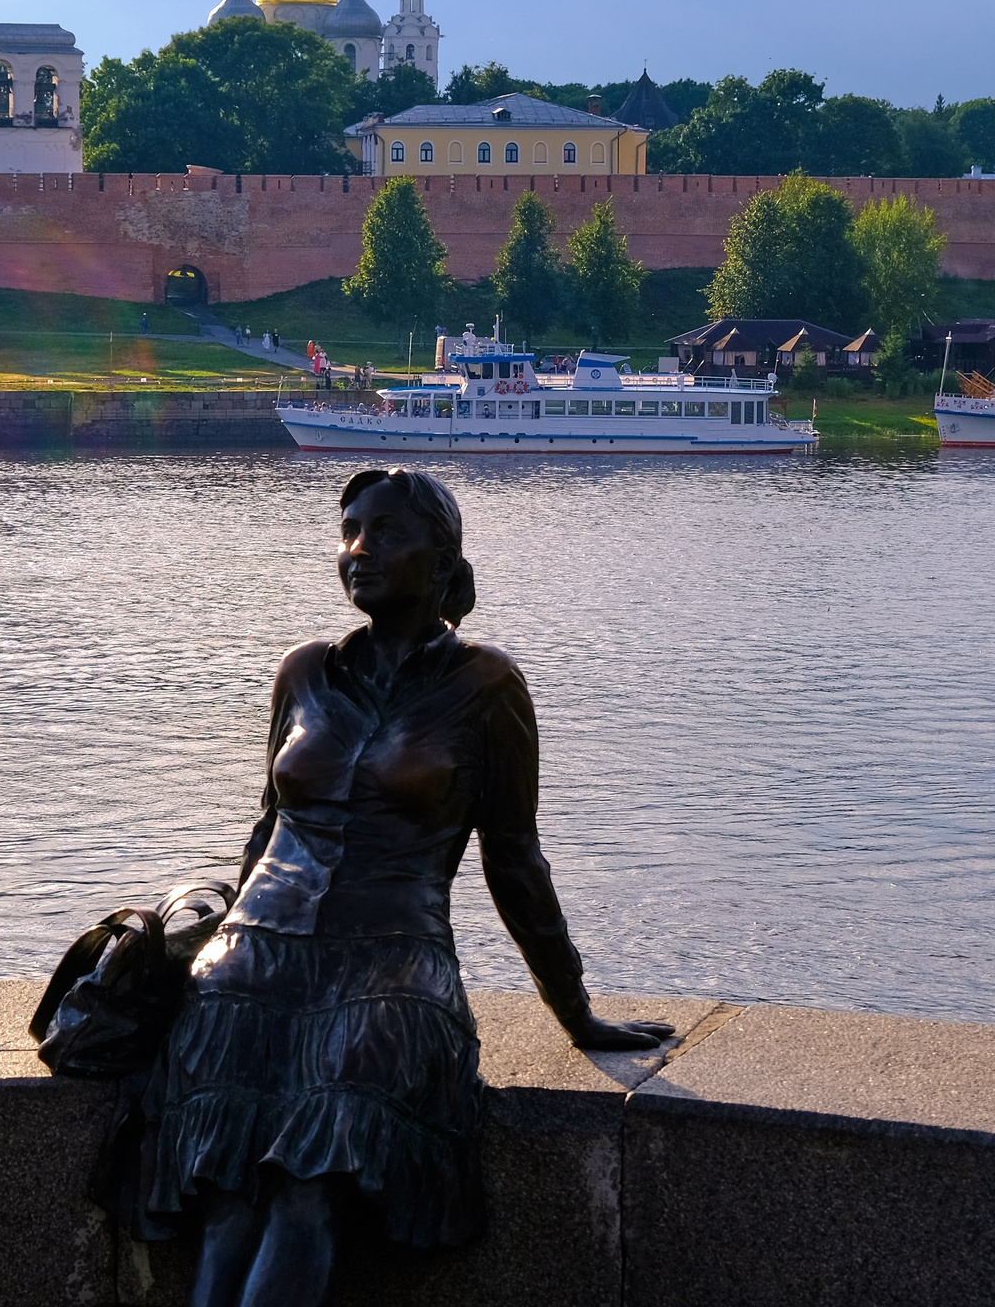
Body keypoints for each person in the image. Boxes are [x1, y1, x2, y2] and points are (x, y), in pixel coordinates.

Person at [138, 469, 666, 1307]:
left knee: (308, 1190)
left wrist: (574, 1011)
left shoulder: (486, 686)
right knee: (226, 1196)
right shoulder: (304, 670)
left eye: (385, 533)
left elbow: (515, 860)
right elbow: (265, 824)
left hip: (391, 965)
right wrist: (207, 942)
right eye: (350, 530)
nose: (358, 550)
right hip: (253, 963)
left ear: (442, 555)